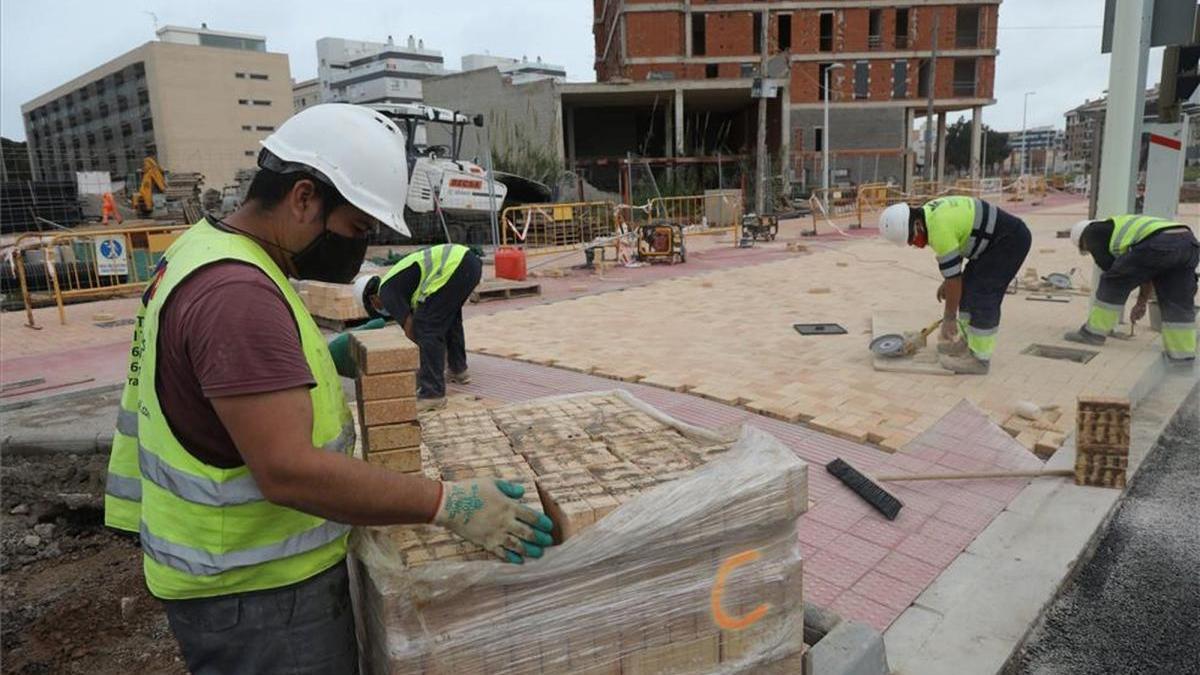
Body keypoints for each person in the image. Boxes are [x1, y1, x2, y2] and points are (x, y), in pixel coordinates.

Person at [102, 103, 554, 674]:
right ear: (304, 197)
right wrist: (448, 503)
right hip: (257, 594)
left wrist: (325, 357)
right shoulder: (237, 296)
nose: (359, 249)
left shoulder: (204, 247)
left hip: (233, 586)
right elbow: (288, 471)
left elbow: (217, 384)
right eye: (358, 229)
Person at [878, 196, 1031, 374]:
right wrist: (948, 280)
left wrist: (949, 317)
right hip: (991, 245)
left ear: (917, 225)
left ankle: (980, 360)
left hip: (1009, 242)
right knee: (967, 288)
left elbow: (954, 280)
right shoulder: (929, 213)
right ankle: (966, 343)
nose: (916, 245)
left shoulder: (938, 229)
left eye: (914, 240)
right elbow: (955, 255)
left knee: (983, 295)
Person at [348, 244, 482, 412]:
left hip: (454, 266)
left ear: (373, 299)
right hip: (469, 263)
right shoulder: (397, 282)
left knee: (427, 326)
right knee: (449, 319)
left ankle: (432, 394)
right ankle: (458, 370)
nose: (380, 309)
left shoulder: (386, 292)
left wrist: (416, 360)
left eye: (374, 307)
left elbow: (410, 327)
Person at [1064, 214, 1197, 365]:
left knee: (1112, 282)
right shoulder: (1117, 227)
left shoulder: (1092, 232)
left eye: (1085, 249)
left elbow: (1118, 274)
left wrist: (1134, 295)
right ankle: (1182, 355)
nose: (1090, 251)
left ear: (1082, 240)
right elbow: (1146, 271)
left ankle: (1093, 333)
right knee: (1176, 301)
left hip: (1159, 242)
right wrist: (1141, 302)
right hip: (1188, 243)